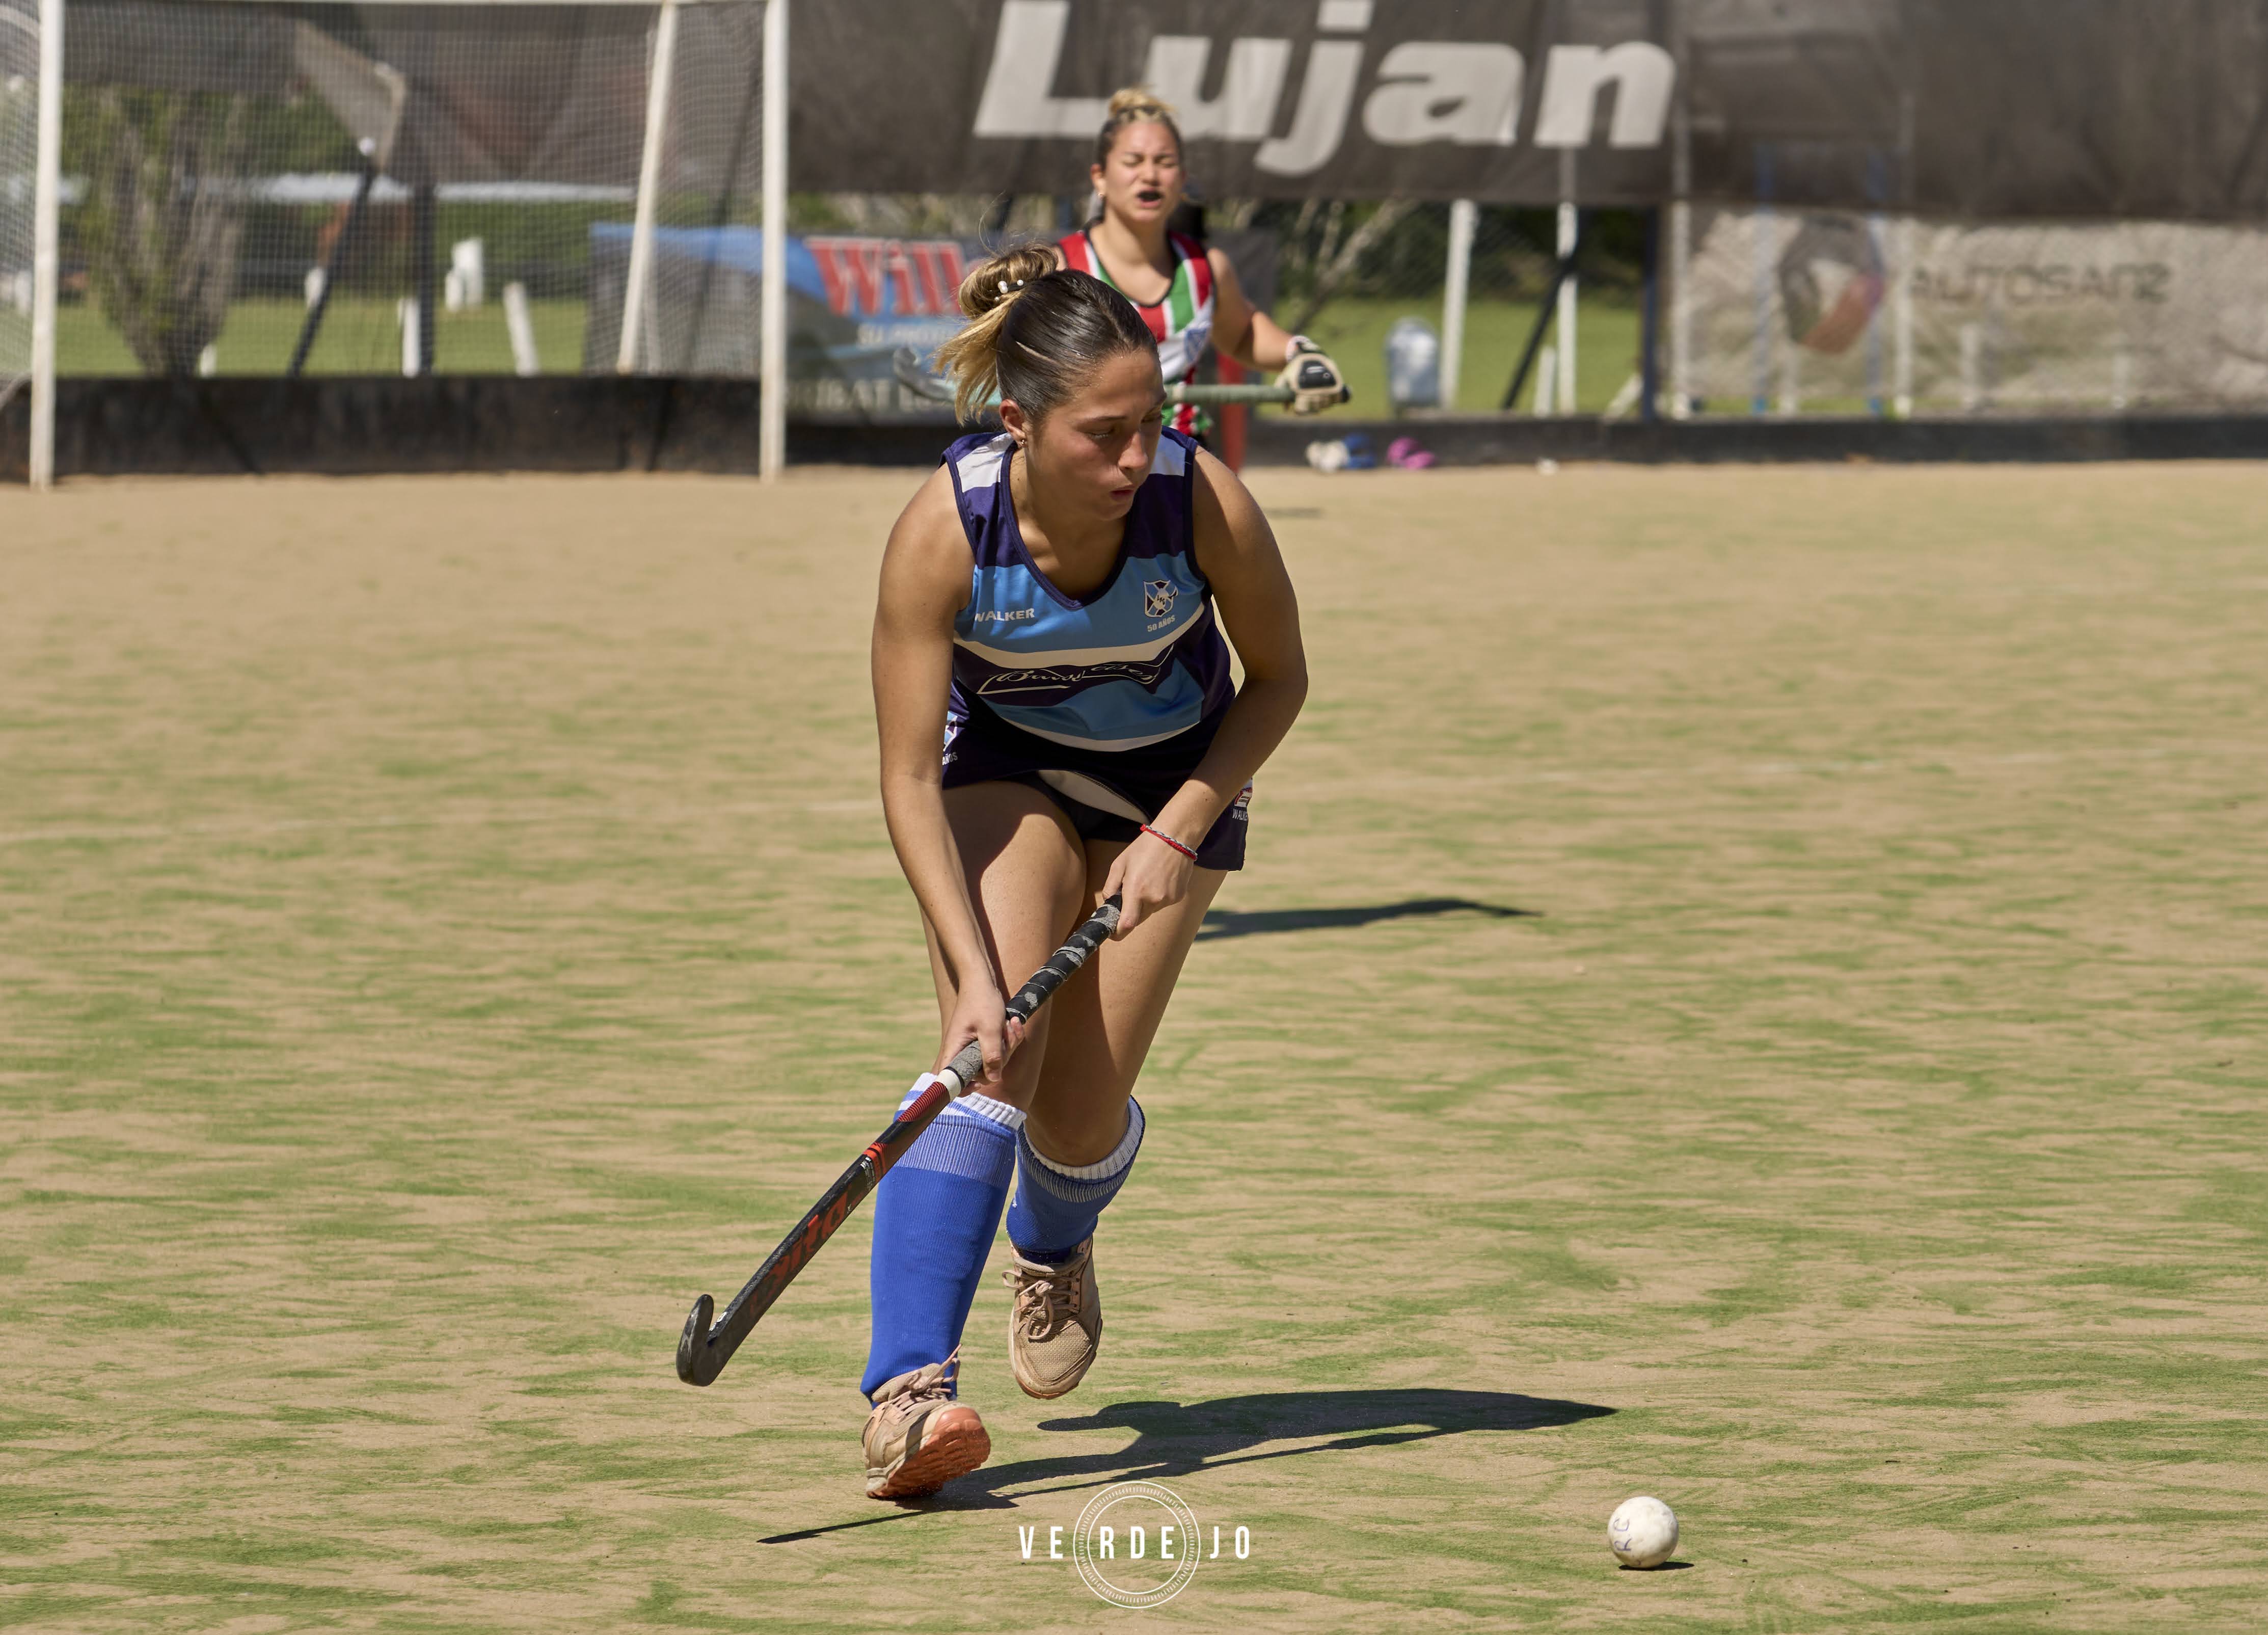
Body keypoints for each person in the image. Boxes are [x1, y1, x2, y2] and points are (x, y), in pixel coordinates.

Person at [854, 243, 1308, 1500]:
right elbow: (905, 780)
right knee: (992, 1058)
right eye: (1104, 435)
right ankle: (909, 1396)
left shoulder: (1197, 498)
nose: (1134, 459)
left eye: (1151, 423)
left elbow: (1279, 680)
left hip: (1176, 790)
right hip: (1012, 778)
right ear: (1020, 422)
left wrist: (1181, 828)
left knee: (1079, 1117)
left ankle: (1054, 1240)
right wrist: (965, 976)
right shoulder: (945, 532)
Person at [1057, 87, 1348, 438]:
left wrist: (1301, 354)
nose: (1150, 175)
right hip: (1089, 467)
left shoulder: (1206, 267)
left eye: (1165, 163)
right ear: (1100, 177)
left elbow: (1242, 335)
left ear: (1181, 180)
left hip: (1182, 458)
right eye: (1133, 162)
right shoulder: (1061, 269)